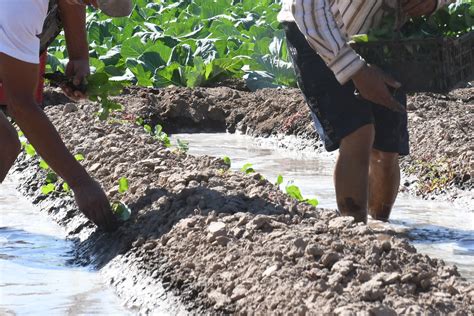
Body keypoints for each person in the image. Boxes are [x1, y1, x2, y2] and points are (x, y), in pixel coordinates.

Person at [278, 0, 453, 223]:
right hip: (316, 32)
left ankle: (381, 230)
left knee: (386, 150)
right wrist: (355, 69)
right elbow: (306, 8)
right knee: (358, 133)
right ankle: (355, 232)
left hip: (380, 34)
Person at [0, 0, 131, 231]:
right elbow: (20, 105)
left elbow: (71, 1)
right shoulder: (22, 8)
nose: (91, 5)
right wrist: (80, 183)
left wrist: (79, 56)